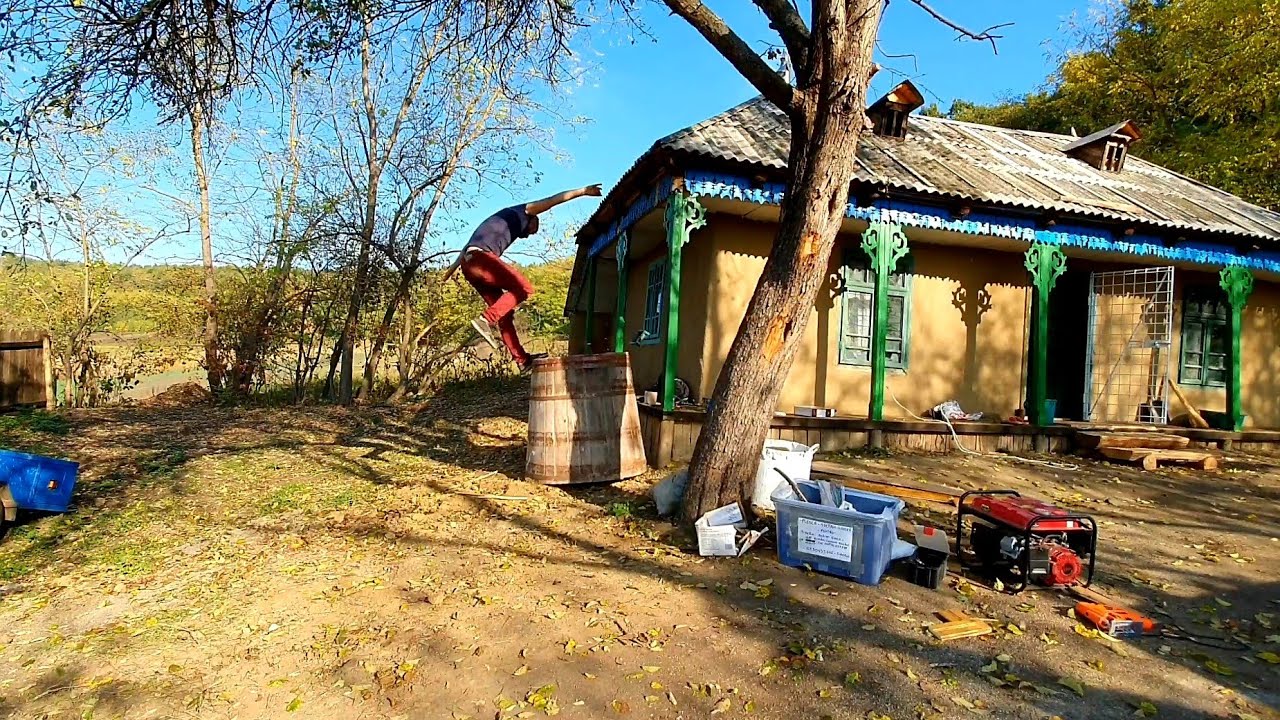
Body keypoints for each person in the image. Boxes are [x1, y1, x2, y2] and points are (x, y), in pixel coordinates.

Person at [443, 184, 602, 371]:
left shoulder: (497, 221)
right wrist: (583, 192)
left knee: (506, 314)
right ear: (533, 219)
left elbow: (465, 248)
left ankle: (522, 361)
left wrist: (448, 272)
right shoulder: (525, 211)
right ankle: (485, 319)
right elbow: (552, 201)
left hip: (469, 265)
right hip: (481, 259)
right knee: (523, 288)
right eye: (532, 230)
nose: (527, 236)